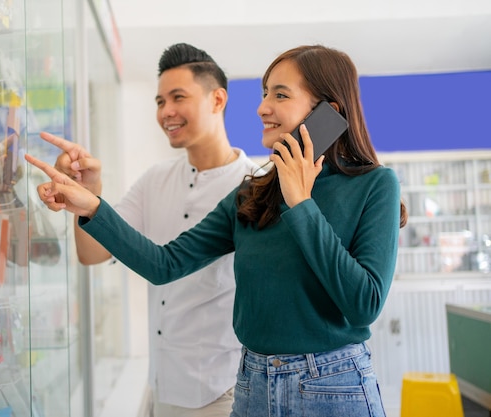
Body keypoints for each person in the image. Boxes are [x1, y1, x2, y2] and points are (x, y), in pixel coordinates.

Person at [25, 44, 408, 416]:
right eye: (263, 93)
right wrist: (91, 205)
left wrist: (301, 203)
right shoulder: (252, 193)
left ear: (328, 112)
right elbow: (165, 263)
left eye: (280, 94)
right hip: (253, 384)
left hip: (331, 385)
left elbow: (364, 305)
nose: (262, 107)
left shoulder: (376, 186)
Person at [36, 43, 261, 417]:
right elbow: (92, 253)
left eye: (178, 97)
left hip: (223, 392)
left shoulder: (256, 185)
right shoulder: (156, 179)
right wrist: (89, 192)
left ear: (217, 99)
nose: (166, 112)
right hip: (161, 387)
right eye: (159, 101)